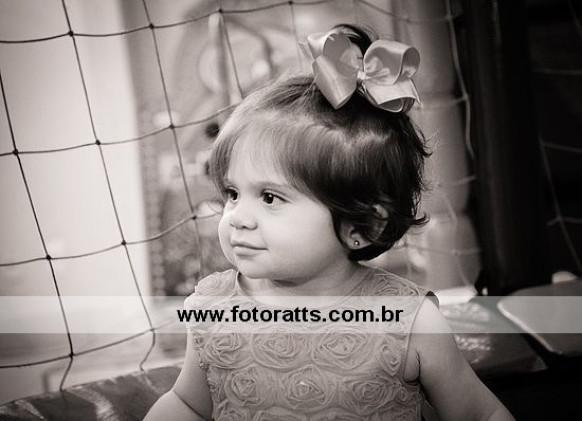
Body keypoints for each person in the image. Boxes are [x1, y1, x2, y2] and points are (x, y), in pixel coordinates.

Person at [145, 24, 514, 421]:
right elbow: (187, 403)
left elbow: (479, 413)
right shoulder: (216, 309)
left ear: (362, 227)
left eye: (269, 198)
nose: (237, 218)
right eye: (233, 193)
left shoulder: (410, 321)